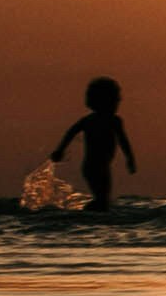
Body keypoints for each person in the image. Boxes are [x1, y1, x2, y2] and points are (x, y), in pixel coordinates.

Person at [52, 77, 136, 212]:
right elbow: (123, 141)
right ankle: (88, 216)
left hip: (93, 167)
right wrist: (59, 151)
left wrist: (130, 159)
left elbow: (122, 141)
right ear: (105, 101)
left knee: (102, 199)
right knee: (102, 200)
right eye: (115, 98)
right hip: (96, 167)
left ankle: (91, 216)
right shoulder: (109, 121)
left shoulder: (93, 120)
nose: (119, 101)